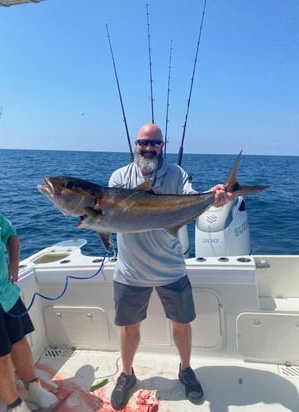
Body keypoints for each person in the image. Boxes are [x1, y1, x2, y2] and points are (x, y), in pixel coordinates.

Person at [108, 122, 232, 410]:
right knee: (128, 328)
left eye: (155, 143)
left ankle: (186, 370)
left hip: (171, 267)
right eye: (143, 143)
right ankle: (126, 375)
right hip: (130, 269)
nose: (148, 148)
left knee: (182, 325)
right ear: (135, 146)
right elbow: (109, 215)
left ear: (163, 146)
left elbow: (193, 195)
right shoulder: (119, 177)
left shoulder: (176, 174)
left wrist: (214, 198)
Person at [0, 206, 59, 412]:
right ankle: (15, 405)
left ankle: (32, 388)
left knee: (20, 342)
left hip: (7, 294)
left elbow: (11, 235)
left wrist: (14, 263)